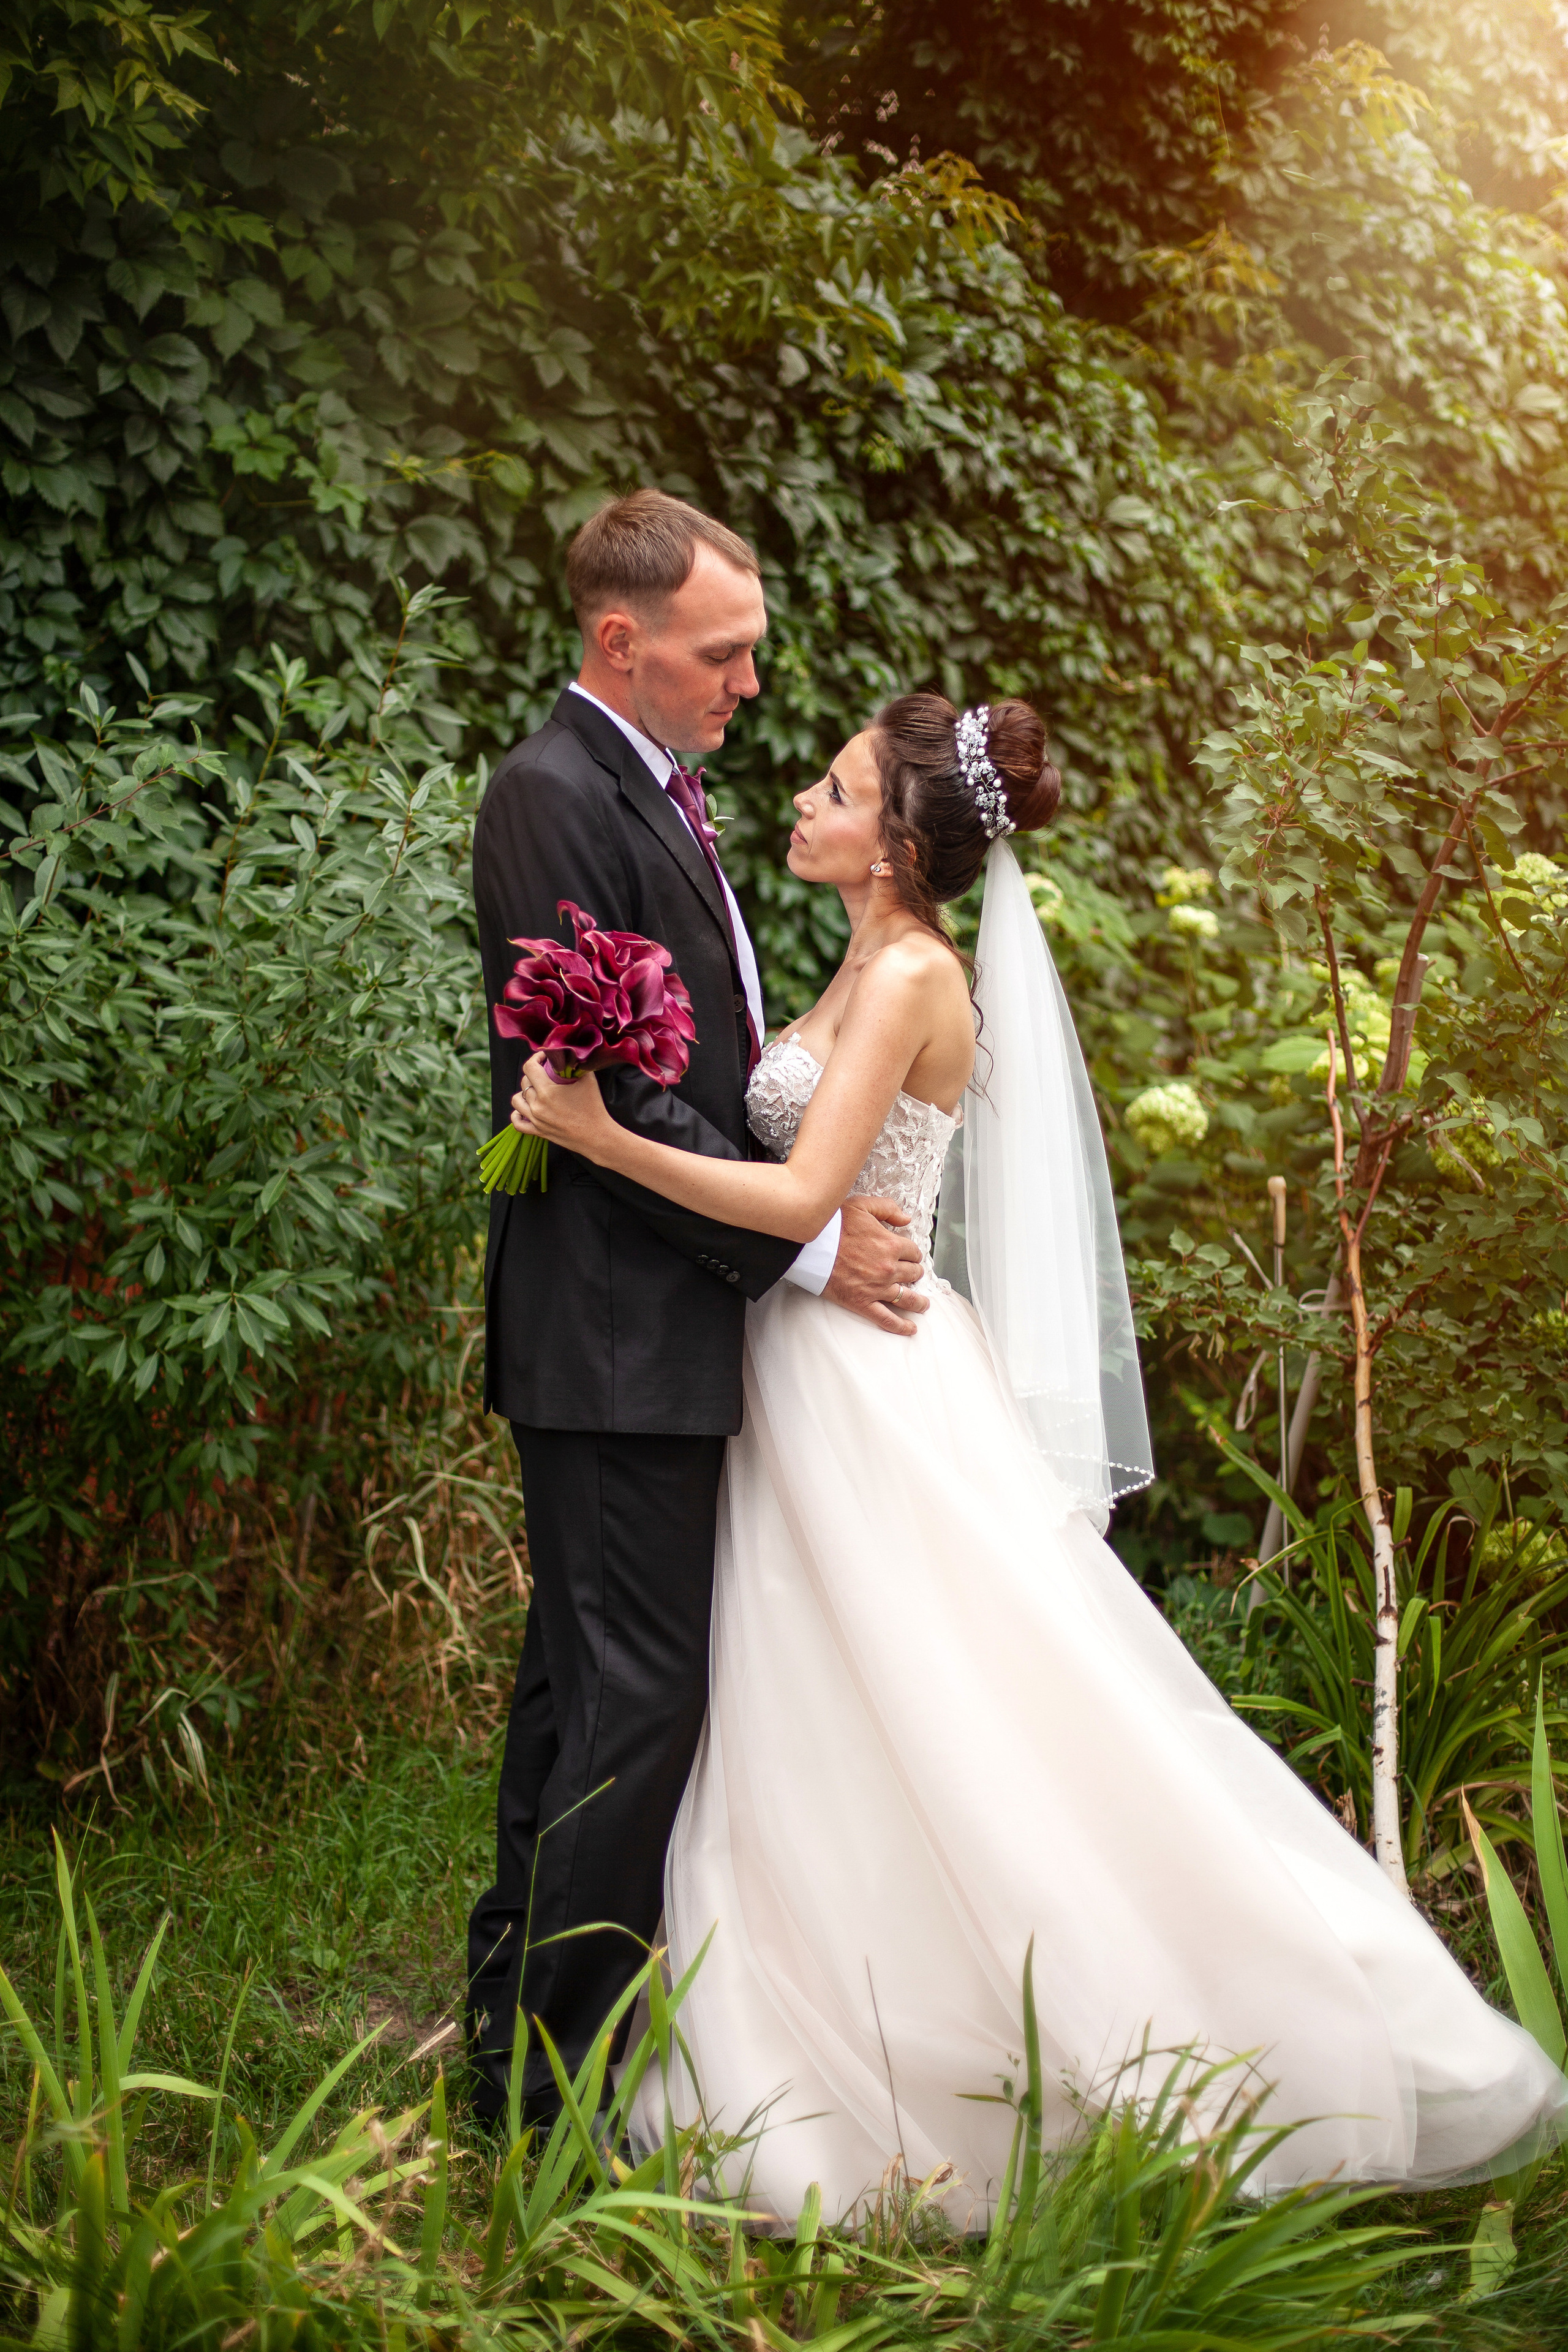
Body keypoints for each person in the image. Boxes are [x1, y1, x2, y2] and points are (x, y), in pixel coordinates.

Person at [511, 688, 1568, 2223]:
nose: (800, 802)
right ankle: (801, 2016)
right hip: (798, 1371)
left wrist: (599, 1137)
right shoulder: (859, 957)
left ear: (894, 844)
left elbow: (805, 1192)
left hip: (868, 1389)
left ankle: (1176, 2038)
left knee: (964, 1712)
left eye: (834, 787)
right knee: (813, 1711)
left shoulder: (910, 979)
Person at [466, 489, 932, 2132]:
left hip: (657, 1325)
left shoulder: (660, 789)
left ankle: (506, 2052)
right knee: (632, 1699)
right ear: (624, 641)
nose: (747, 684)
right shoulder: (549, 795)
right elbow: (588, 1100)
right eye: (720, 655)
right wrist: (805, 1251)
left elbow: (701, 1081)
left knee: (582, 1691)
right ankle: (545, 2101)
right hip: (609, 1336)